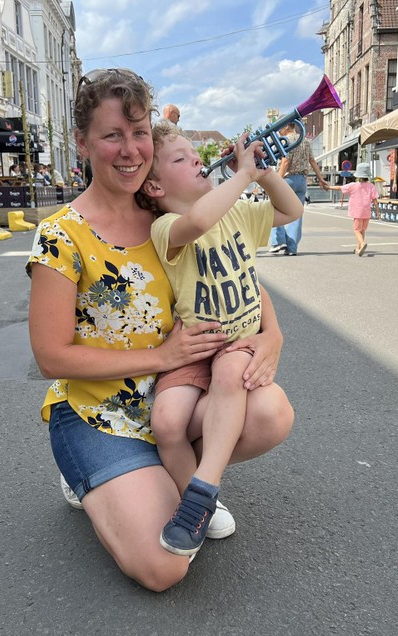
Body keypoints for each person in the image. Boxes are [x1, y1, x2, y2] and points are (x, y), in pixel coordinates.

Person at [26, 68, 293, 592]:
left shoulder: (169, 210)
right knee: (164, 567)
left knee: (271, 411)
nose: (130, 149)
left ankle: (187, 483)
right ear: (82, 142)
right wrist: (164, 357)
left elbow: (239, 278)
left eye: (140, 132)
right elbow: (51, 358)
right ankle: (90, 475)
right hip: (98, 414)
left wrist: (273, 334)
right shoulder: (60, 235)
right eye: (112, 135)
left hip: (173, 402)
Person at [137, 121, 302, 556]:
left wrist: (264, 173)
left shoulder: (238, 211)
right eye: (180, 157)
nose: (196, 158)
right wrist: (243, 175)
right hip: (194, 349)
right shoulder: (166, 226)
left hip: (235, 344)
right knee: (167, 423)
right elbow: (197, 221)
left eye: (195, 153)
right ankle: (187, 491)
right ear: (154, 186)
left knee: (232, 369)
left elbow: (291, 211)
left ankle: (201, 495)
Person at [267, 122, 328, 255]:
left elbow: (285, 161)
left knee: (275, 208)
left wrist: (276, 180)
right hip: (301, 181)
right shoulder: (305, 141)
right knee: (296, 214)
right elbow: (312, 161)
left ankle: (279, 241)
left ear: (287, 126)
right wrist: (321, 178)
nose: (278, 132)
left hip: (287, 179)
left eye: (280, 128)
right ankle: (292, 248)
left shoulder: (284, 141)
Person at [324, 162, 379, 256]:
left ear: (358, 175)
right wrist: (378, 212)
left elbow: (339, 188)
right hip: (366, 212)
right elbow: (375, 200)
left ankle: (362, 243)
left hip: (357, 212)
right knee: (362, 230)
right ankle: (358, 248)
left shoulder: (353, 185)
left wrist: (328, 187)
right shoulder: (371, 186)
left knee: (357, 230)